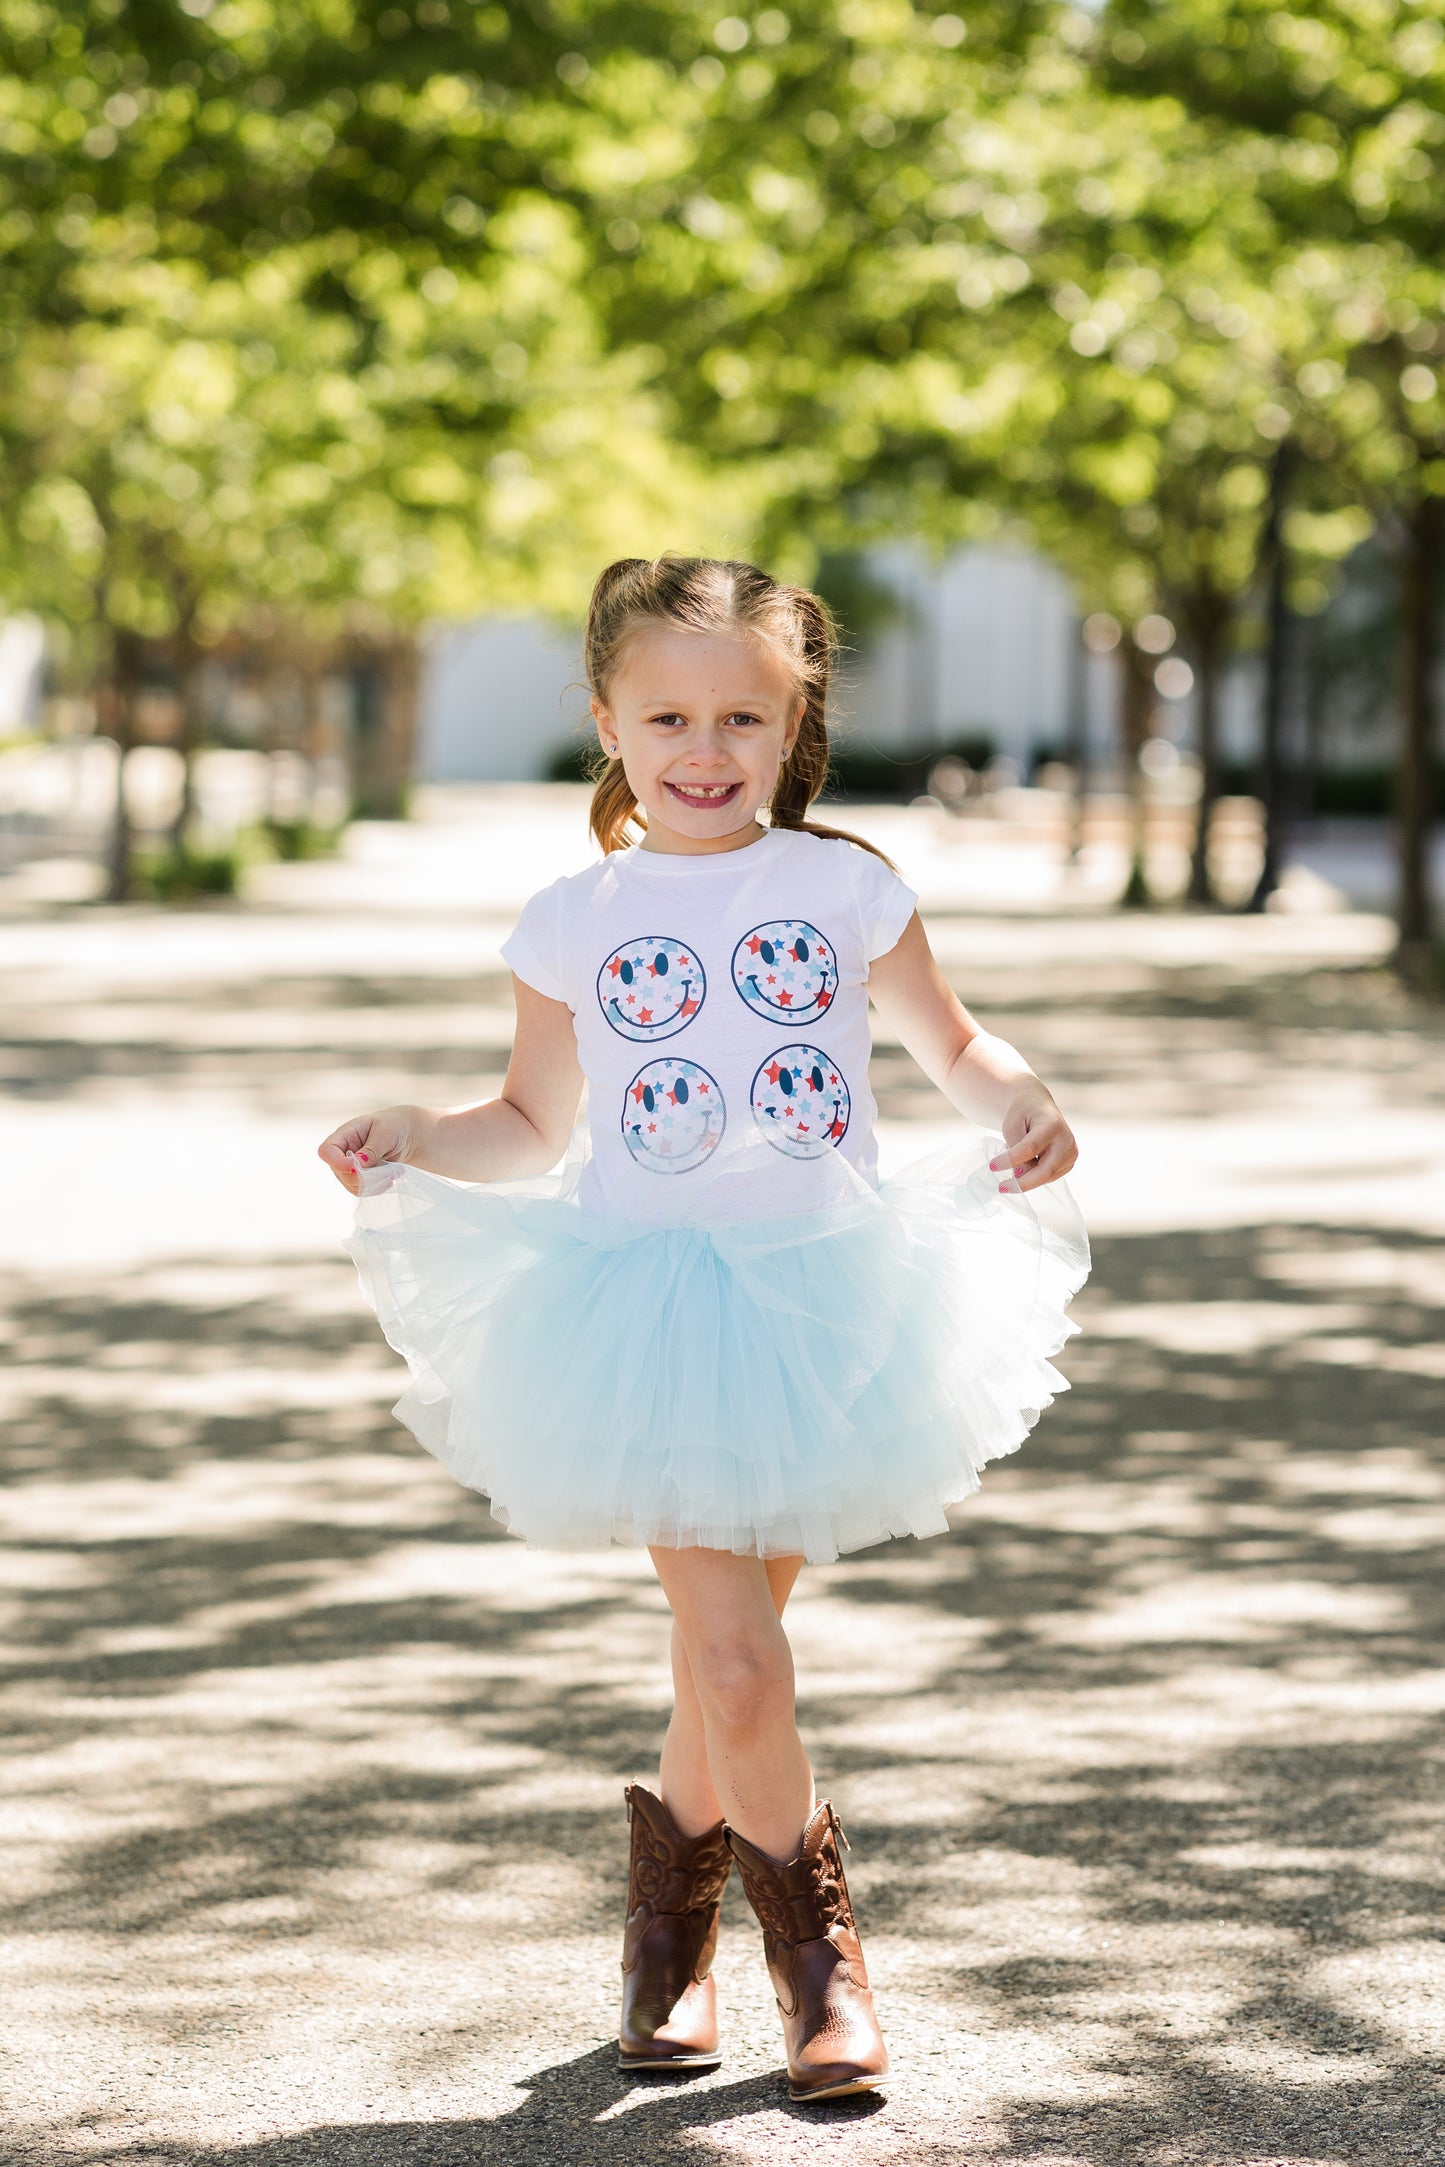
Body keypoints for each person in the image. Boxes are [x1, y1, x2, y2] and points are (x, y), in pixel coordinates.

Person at [319, 554, 1088, 2103]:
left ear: (792, 717)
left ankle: (661, 1952)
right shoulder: (570, 918)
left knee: (719, 1672)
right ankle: (823, 1982)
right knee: (738, 1666)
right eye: (665, 714)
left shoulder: (842, 884)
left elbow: (948, 1040)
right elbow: (533, 1120)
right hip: (651, 1316)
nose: (704, 748)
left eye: (742, 714)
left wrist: (1016, 1100)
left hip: (832, 1306)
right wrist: (418, 1126)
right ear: (604, 719)